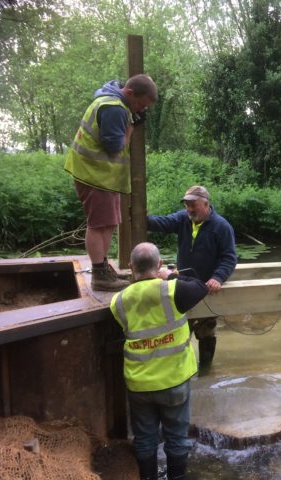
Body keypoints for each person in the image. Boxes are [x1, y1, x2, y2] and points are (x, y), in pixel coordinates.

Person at [110, 242, 208, 480]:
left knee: (144, 438)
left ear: (131, 268)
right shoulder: (173, 290)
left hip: (139, 384)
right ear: (159, 265)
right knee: (176, 437)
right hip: (174, 380)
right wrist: (171, 275)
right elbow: (200, 286)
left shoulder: (118, 301)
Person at [65, 74, 158, 291]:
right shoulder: (114, 109)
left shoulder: (116, 103)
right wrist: (130, 128)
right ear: (129, 93)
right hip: (94, 175)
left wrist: (132, 115)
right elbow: (115, 146)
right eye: (140, 105)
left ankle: (103, 268)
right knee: (98, 225)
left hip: (102, 177)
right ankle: (99, 275)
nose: (141, 110)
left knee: (108, 223)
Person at [147, 185, 237, 374]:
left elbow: (229, 258)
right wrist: (143, 218)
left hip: (206, 287)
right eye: (187, 204)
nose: (189, 209)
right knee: (179, 330)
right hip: (183, 285)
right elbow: (162, 223)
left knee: (207, 332)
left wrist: (218, 277)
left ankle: (205, 372)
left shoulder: (221, 227)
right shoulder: (183, 218)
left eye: (193, 205)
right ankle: (178, 371)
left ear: (206, 203)